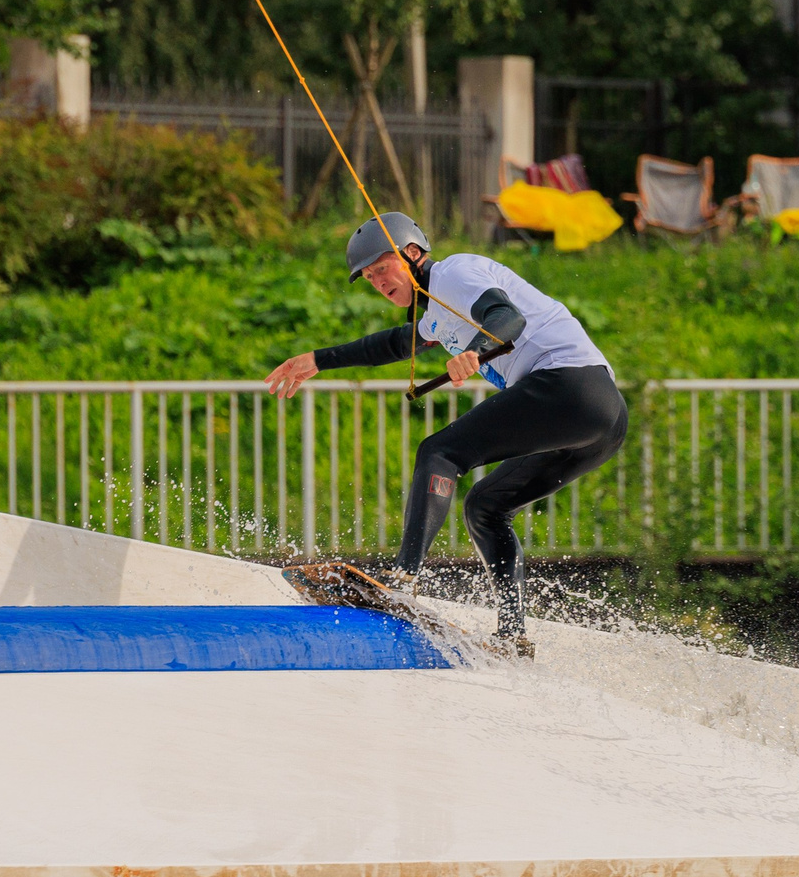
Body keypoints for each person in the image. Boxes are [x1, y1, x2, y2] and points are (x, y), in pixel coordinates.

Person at [263, 212, 625, 654]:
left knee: (440, 452)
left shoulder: (455, 273)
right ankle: (514, 638)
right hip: (603, 421)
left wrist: (475, 352)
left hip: (571, 385)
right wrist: (319, 359)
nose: (378, 282)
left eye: (383, 269)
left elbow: (505, 317)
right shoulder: (437, 314)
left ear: (412, 253)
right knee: (486, 506)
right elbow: (395, 344)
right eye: (370, 278)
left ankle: (402, 582)